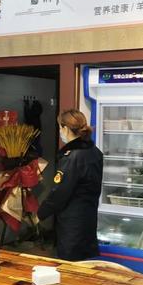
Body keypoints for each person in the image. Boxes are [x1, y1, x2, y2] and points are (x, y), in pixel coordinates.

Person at [37, 109, 103, 261]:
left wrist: (41, 213)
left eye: (60, 128)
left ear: (66, 128)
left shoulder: (72, 157)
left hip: (72, 221)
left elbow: (60, 192)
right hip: (89, 216)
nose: (60, 132)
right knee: (86, 261)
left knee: (69, 262)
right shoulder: (94, 152)